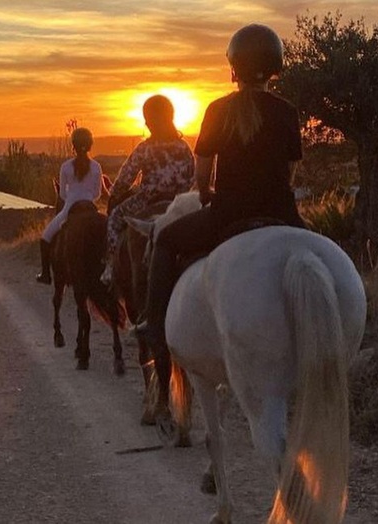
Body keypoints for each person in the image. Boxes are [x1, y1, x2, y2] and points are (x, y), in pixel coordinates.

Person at [135, 24, 306, 347]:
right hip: (283, 212)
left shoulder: (218, 109)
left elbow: (203, 165)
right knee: (326, 252)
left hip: (229, 212)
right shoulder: (287, 111)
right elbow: (290, 170)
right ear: (275, 68)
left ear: (233, 68)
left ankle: (153, 324)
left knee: (166, 242)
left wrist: (204, 192)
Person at [100, 95, 195, 285]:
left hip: (147, 199)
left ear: (150, 120)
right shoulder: (184, 147)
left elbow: (125, 179)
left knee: (115, 217)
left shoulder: (145, 148)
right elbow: (191, 178)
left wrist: (114, 194)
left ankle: (110, 267)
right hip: (179, 202)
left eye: (147, 119)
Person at [36, 127, 104, 284]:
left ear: (73, 144)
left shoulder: (65, 167)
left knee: (45, 238)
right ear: (90, 145)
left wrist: (71, 198)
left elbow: (62, 196)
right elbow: (97, 193)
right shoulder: (96, 167)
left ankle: (46, 274)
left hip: (70, 208)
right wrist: (87, 196)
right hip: (90, 207)